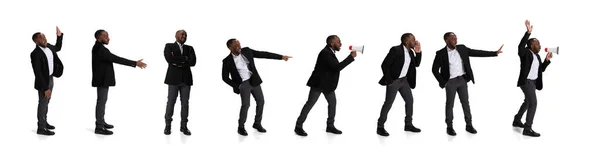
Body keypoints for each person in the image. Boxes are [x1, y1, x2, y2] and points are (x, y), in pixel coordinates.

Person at [431, 32, 503, 136]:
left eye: (456, 38)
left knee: (465, 103)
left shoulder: (462, 48)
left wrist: (494, 53)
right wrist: (443, 82)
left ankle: (469, 125)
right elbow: (434, 70)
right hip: (450, 82)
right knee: (449, 104)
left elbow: (476, 52)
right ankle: (449, 127)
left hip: (462, 80)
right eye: (453, 39)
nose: (456, 40)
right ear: (446, 41)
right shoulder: (441, 53)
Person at [221, 38, 292, 136]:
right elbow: (224, 77)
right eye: (236, 45)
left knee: (261, 101)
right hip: (243, 84)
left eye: (239, 43)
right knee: (246, 105)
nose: (239, 46)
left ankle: (257, 123)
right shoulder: (227, 61)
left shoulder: (247, 51)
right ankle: (241, 127)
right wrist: (238, 86)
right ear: (230, 47)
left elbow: (264, 54)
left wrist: (281, 57)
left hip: (254, 81)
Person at [294, 35, 357, 136]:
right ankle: (298, 126)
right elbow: (336, 67)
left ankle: (330, 126)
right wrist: (351, 57)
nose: (341, 44)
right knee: (310, 104)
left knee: (332, 103)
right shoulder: (325, 53)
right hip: (318, 84)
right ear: (332, 43)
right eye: (338, 42)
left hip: (327, 85)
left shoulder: (330, 52)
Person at [91, 29, 147, 135]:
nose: (108, 38)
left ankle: (101, 122)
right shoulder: (100, 49)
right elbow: (117, 59)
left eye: (108, 36)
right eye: (105, 36)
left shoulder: (99, 48)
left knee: (102, 101)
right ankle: (99, 126)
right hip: (102, 80)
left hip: (103, 80)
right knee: (101, 102)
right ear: (98, 37)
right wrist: (135, 63)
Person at [376, 33, 422, 136]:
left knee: (410, 100)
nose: (415, 41)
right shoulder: (395, 50)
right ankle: (380, 127)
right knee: (388, 103)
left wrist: (418, 52)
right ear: (406, 41)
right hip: (394, 81)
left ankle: (408, 125)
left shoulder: (410, 52)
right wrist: (389, 80)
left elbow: (417, 64)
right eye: (413, 39)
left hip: (404, 81)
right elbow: (384, 65)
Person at [512, 20, 552, 137]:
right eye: (538, 43)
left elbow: (541, 70)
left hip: (534, 82)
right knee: (533, 103)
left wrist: (546, 60)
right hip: (526, 82)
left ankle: (517, 120)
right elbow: (520, 46)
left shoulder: (537, 56)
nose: (540, 45)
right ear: (531, 45)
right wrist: (528, 32)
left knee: (528, 101)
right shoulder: (525, 53)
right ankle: (527, 128)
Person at [30, 26, 64, 136]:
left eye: (44, 36)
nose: (44, 39)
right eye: (41, 38)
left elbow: (58, 47)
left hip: (51, 77)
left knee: (47, 102)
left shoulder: (48, 46)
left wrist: (59, 36)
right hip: (43, 81)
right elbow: (38, 73)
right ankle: (41, 127)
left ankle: (44, 122)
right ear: (36, 41)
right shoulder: (35, 54)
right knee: (43, 103)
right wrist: (45, 88)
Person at [163, 30, 196, 135]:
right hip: (173, 80)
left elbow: (193, 62)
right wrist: (184, 59)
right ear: (176, 36)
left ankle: (184, 126)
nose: (184, 36)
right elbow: (169, 59)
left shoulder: (189, 48)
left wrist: (178, 62)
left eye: (186, 34)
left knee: (185, 104)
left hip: (186, 80)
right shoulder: (169, 46)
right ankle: (168, 126)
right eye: (182, 34)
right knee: (171, 102)